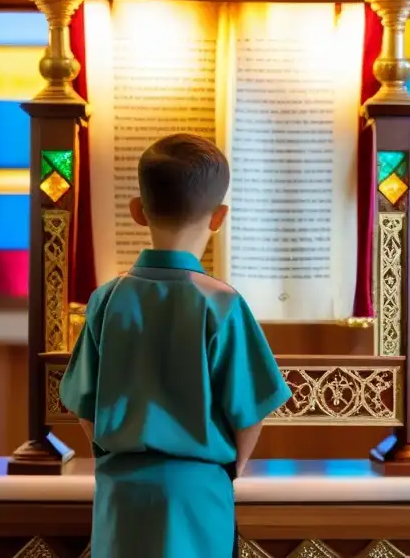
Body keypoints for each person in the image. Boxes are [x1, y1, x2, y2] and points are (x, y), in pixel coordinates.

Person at [60, 132, 291, 558]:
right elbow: (250, 411)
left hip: (121, 493)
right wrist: (229, 469)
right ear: (219, 217)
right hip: (199, 491)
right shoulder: (221, 303)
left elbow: (84, 407)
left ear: (137, 212)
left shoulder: (106, 300)